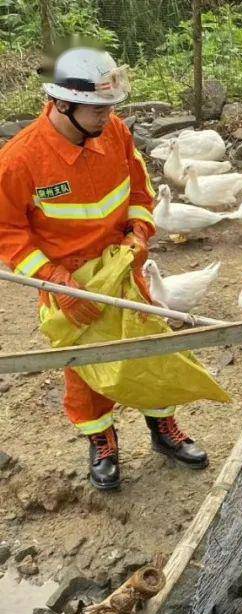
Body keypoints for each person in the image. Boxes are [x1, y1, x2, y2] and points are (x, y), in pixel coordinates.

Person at [0, 47, 209, 490]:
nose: (107, 116)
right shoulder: (20, 160)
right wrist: (55, 281)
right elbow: (8, 231)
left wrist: (139, 229)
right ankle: (102, 440)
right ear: (61, 103)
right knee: (84, 363)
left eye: (110, 106)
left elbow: (140, 187)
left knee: (151, 347)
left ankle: (162, 427)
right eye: (96, 108)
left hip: (125, 263)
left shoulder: (113, 131)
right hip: (70, 281)